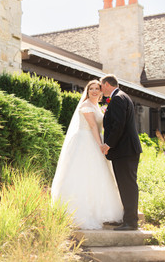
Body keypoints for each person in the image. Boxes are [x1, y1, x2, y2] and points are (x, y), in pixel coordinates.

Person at [51, 80, 123, 229]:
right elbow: (92, 127)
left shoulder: (97, 106)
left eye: (97, 88)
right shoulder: (85, 106)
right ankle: (81, 211)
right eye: (91, 89)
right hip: (85, 141)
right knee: (83, 174)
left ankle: (101, 208)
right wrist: (100, 146)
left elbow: (102, 125)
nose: (95, 91)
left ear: (102, 91)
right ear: (87, 91)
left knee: (98, 175)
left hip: (94, 139)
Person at [100, 74, 142, 231]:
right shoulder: (121, 97)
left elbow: (119, 125)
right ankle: (127, 219)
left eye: (101, 85)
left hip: (125, 150)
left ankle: (131, 222)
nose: (100, 88)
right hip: (126, 150)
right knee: (125, 185)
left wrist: (108, 144)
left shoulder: (117, 98)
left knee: (128, 185)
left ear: (107, 84)